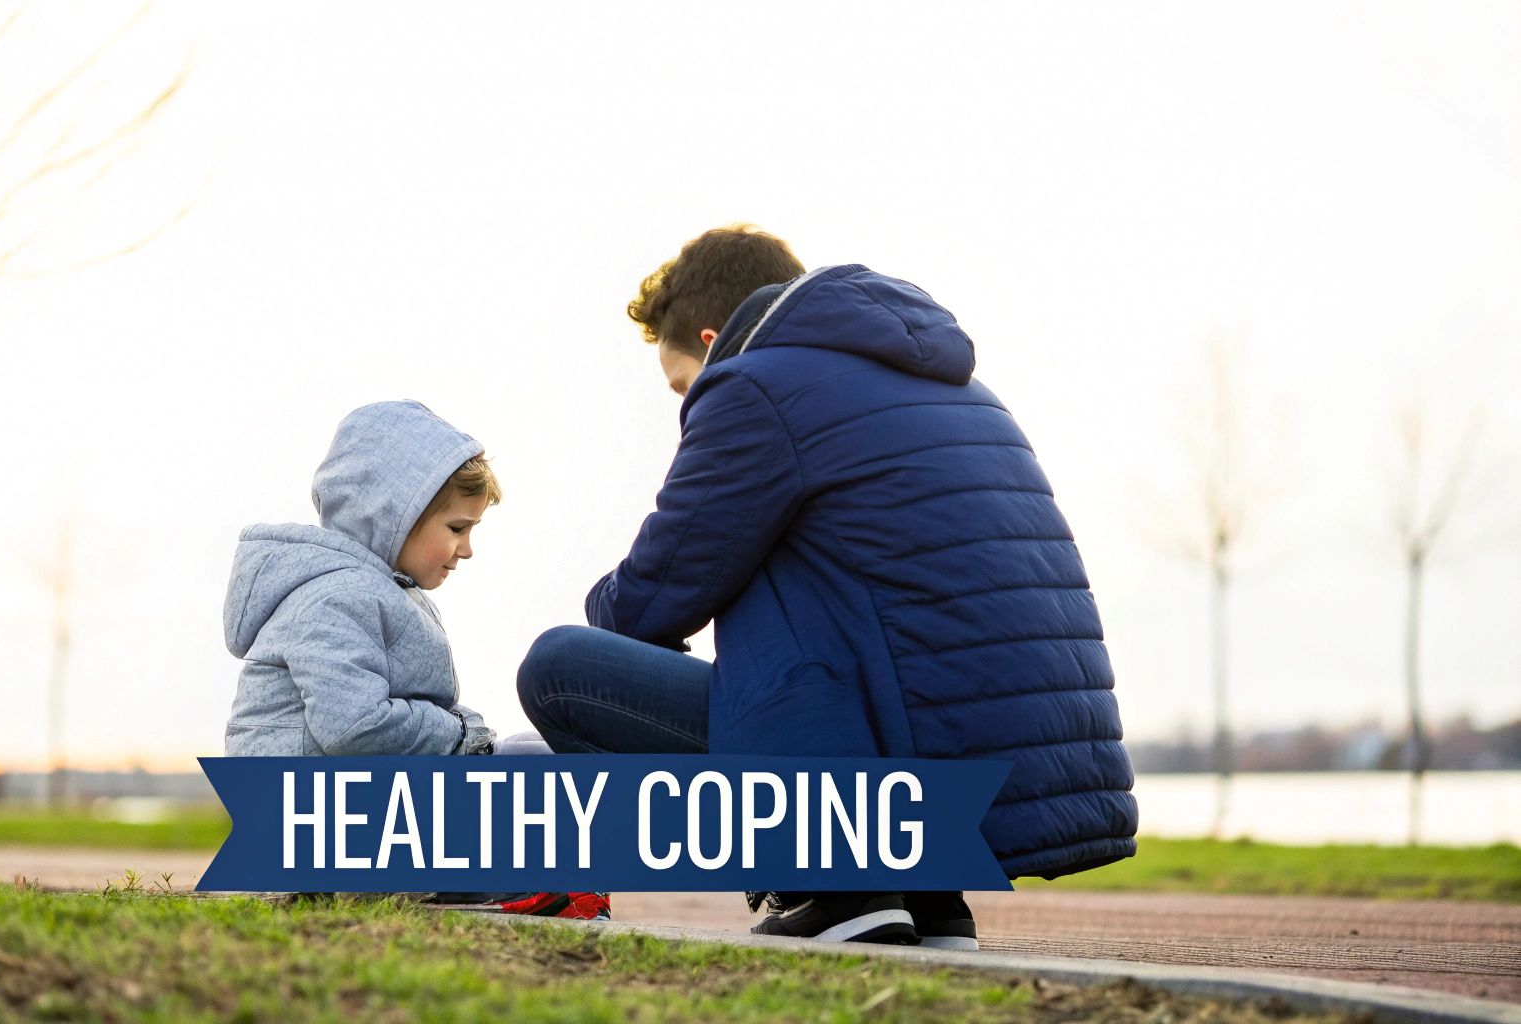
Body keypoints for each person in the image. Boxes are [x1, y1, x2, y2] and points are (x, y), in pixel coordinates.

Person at [518, 226, 1137, 944]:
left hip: (888, 772)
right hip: (1012, 773)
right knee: (830, 572)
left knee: (561, 670)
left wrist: (614, 609)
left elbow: (653, 597)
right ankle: (927, 896)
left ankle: (831, 885)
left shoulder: (754, 386)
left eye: (683, 384)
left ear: (716, 339)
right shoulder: (961, 389)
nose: (688, 404)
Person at [222, 400, 604, 920]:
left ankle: (533, 880)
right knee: (533, 766)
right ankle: (517, 883)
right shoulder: (332, 598)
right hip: (317, 826)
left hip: (361, 809)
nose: (465, 549)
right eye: (455, 528)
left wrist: (464, 737)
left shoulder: (372, 591)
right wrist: (458, 736)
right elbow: (353, 725)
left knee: (538, 749)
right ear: (391, 518)